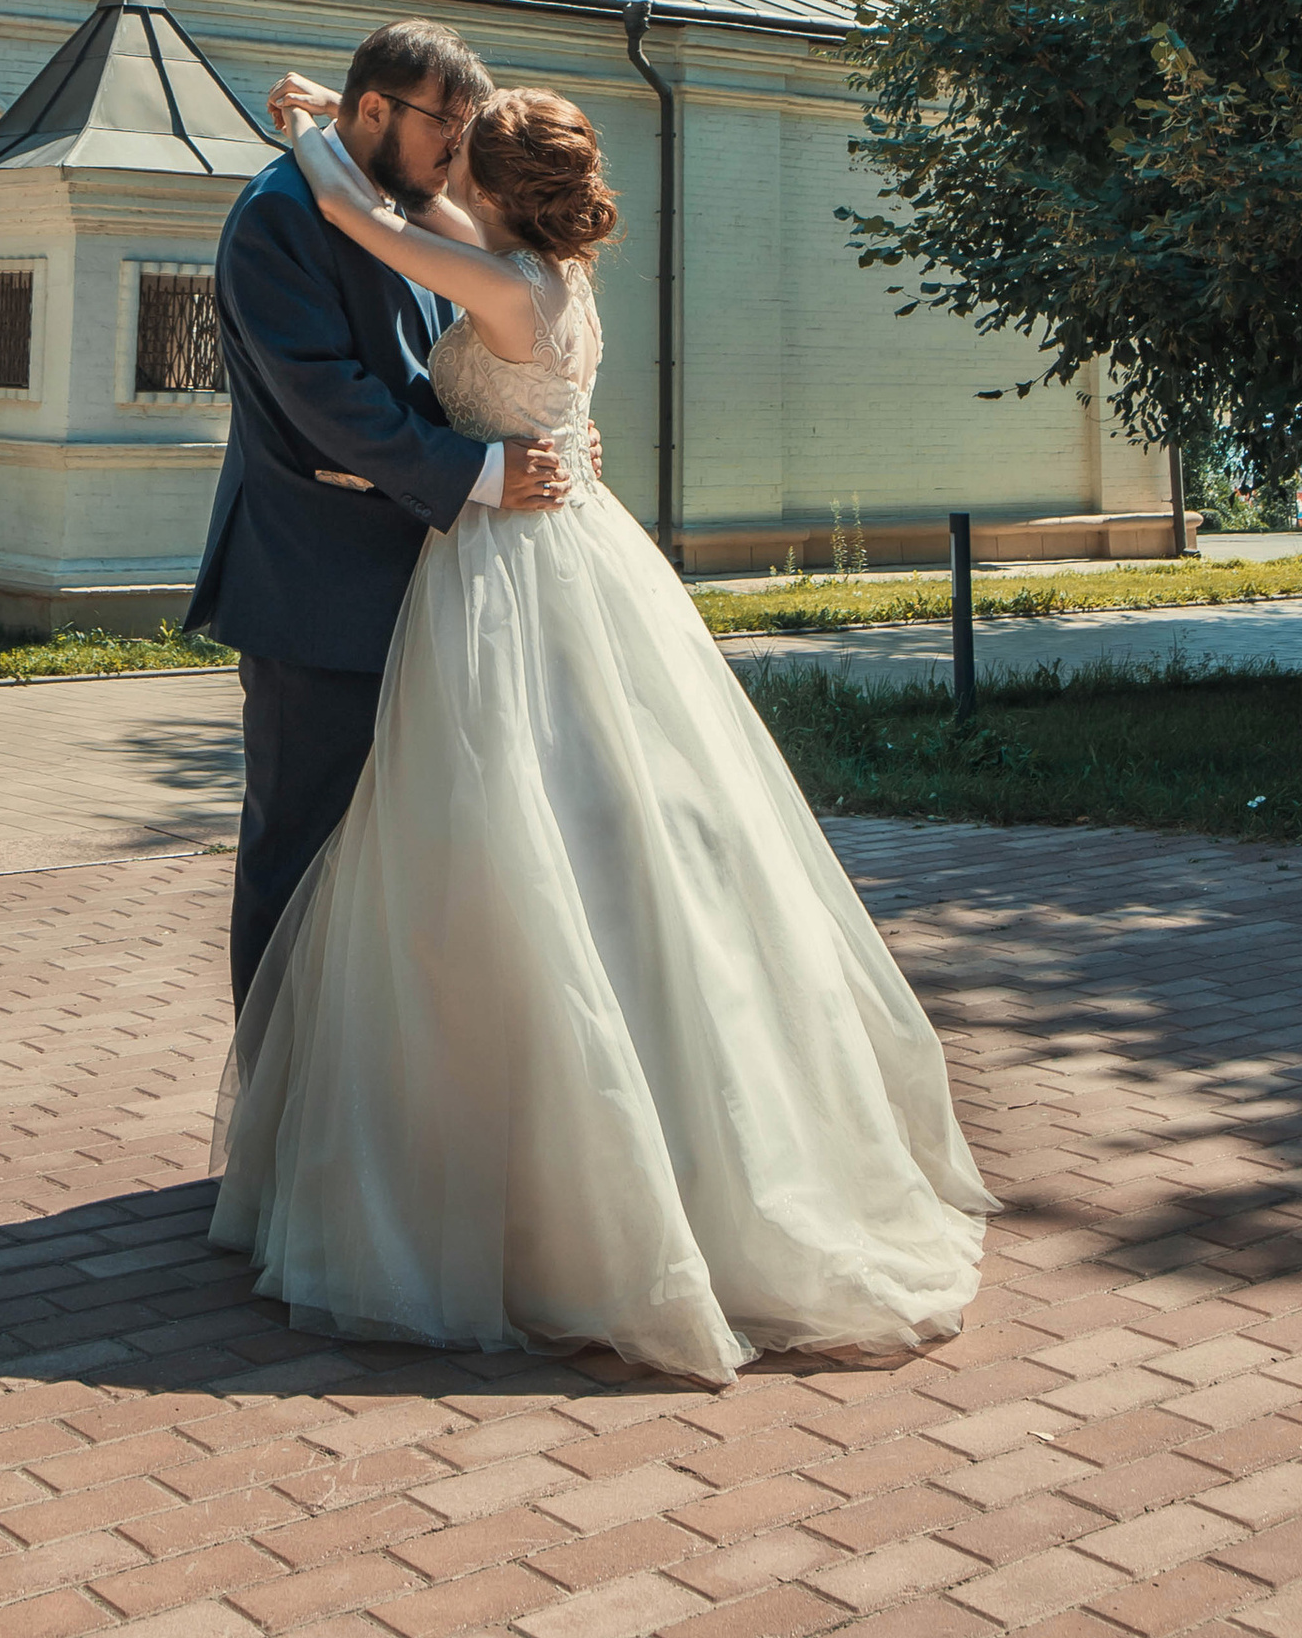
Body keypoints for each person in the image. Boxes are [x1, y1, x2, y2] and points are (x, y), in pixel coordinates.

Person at [210, 76, 992, 1384]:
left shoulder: (494, 278)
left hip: (506, 568)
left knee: (502, 830)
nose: (444, 165)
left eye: (464, 153)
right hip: (573, 544)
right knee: (599, 829)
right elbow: (432, 231)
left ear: (500, 184)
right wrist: (320, 110)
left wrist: (305, 132)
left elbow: (362, 220)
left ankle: (526, 1180)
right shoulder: (555, 273)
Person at [185, 18, 578, 1011]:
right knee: (303, 855)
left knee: (404, 867)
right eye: (445, 126)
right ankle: (280, 1116)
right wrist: (488, 471)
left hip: (428, 587)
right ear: (373, 110)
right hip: (318, 594)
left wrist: (551, 441)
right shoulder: (279, 217)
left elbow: (477, 362)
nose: (458, 152)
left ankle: (359, 1121)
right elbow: (330, 402)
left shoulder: (399, 206)